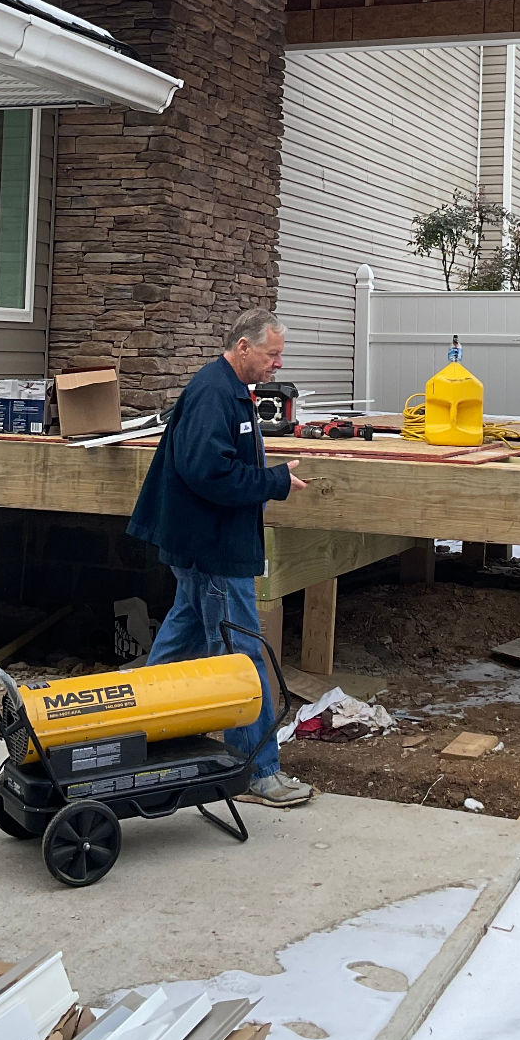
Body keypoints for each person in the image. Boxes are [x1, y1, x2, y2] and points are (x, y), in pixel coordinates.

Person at [128, 308, 313, 807]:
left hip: (204, 544)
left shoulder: (229, 390)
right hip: (212, 550)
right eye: (272, 354)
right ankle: (258, 772)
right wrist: (274, 482)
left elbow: (217, 465)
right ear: (245, 348)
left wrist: (268, 476)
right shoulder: (214, 392)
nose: (278, 364)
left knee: (181, 635)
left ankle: (135, 734)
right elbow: (206, 471)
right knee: (242, 655)